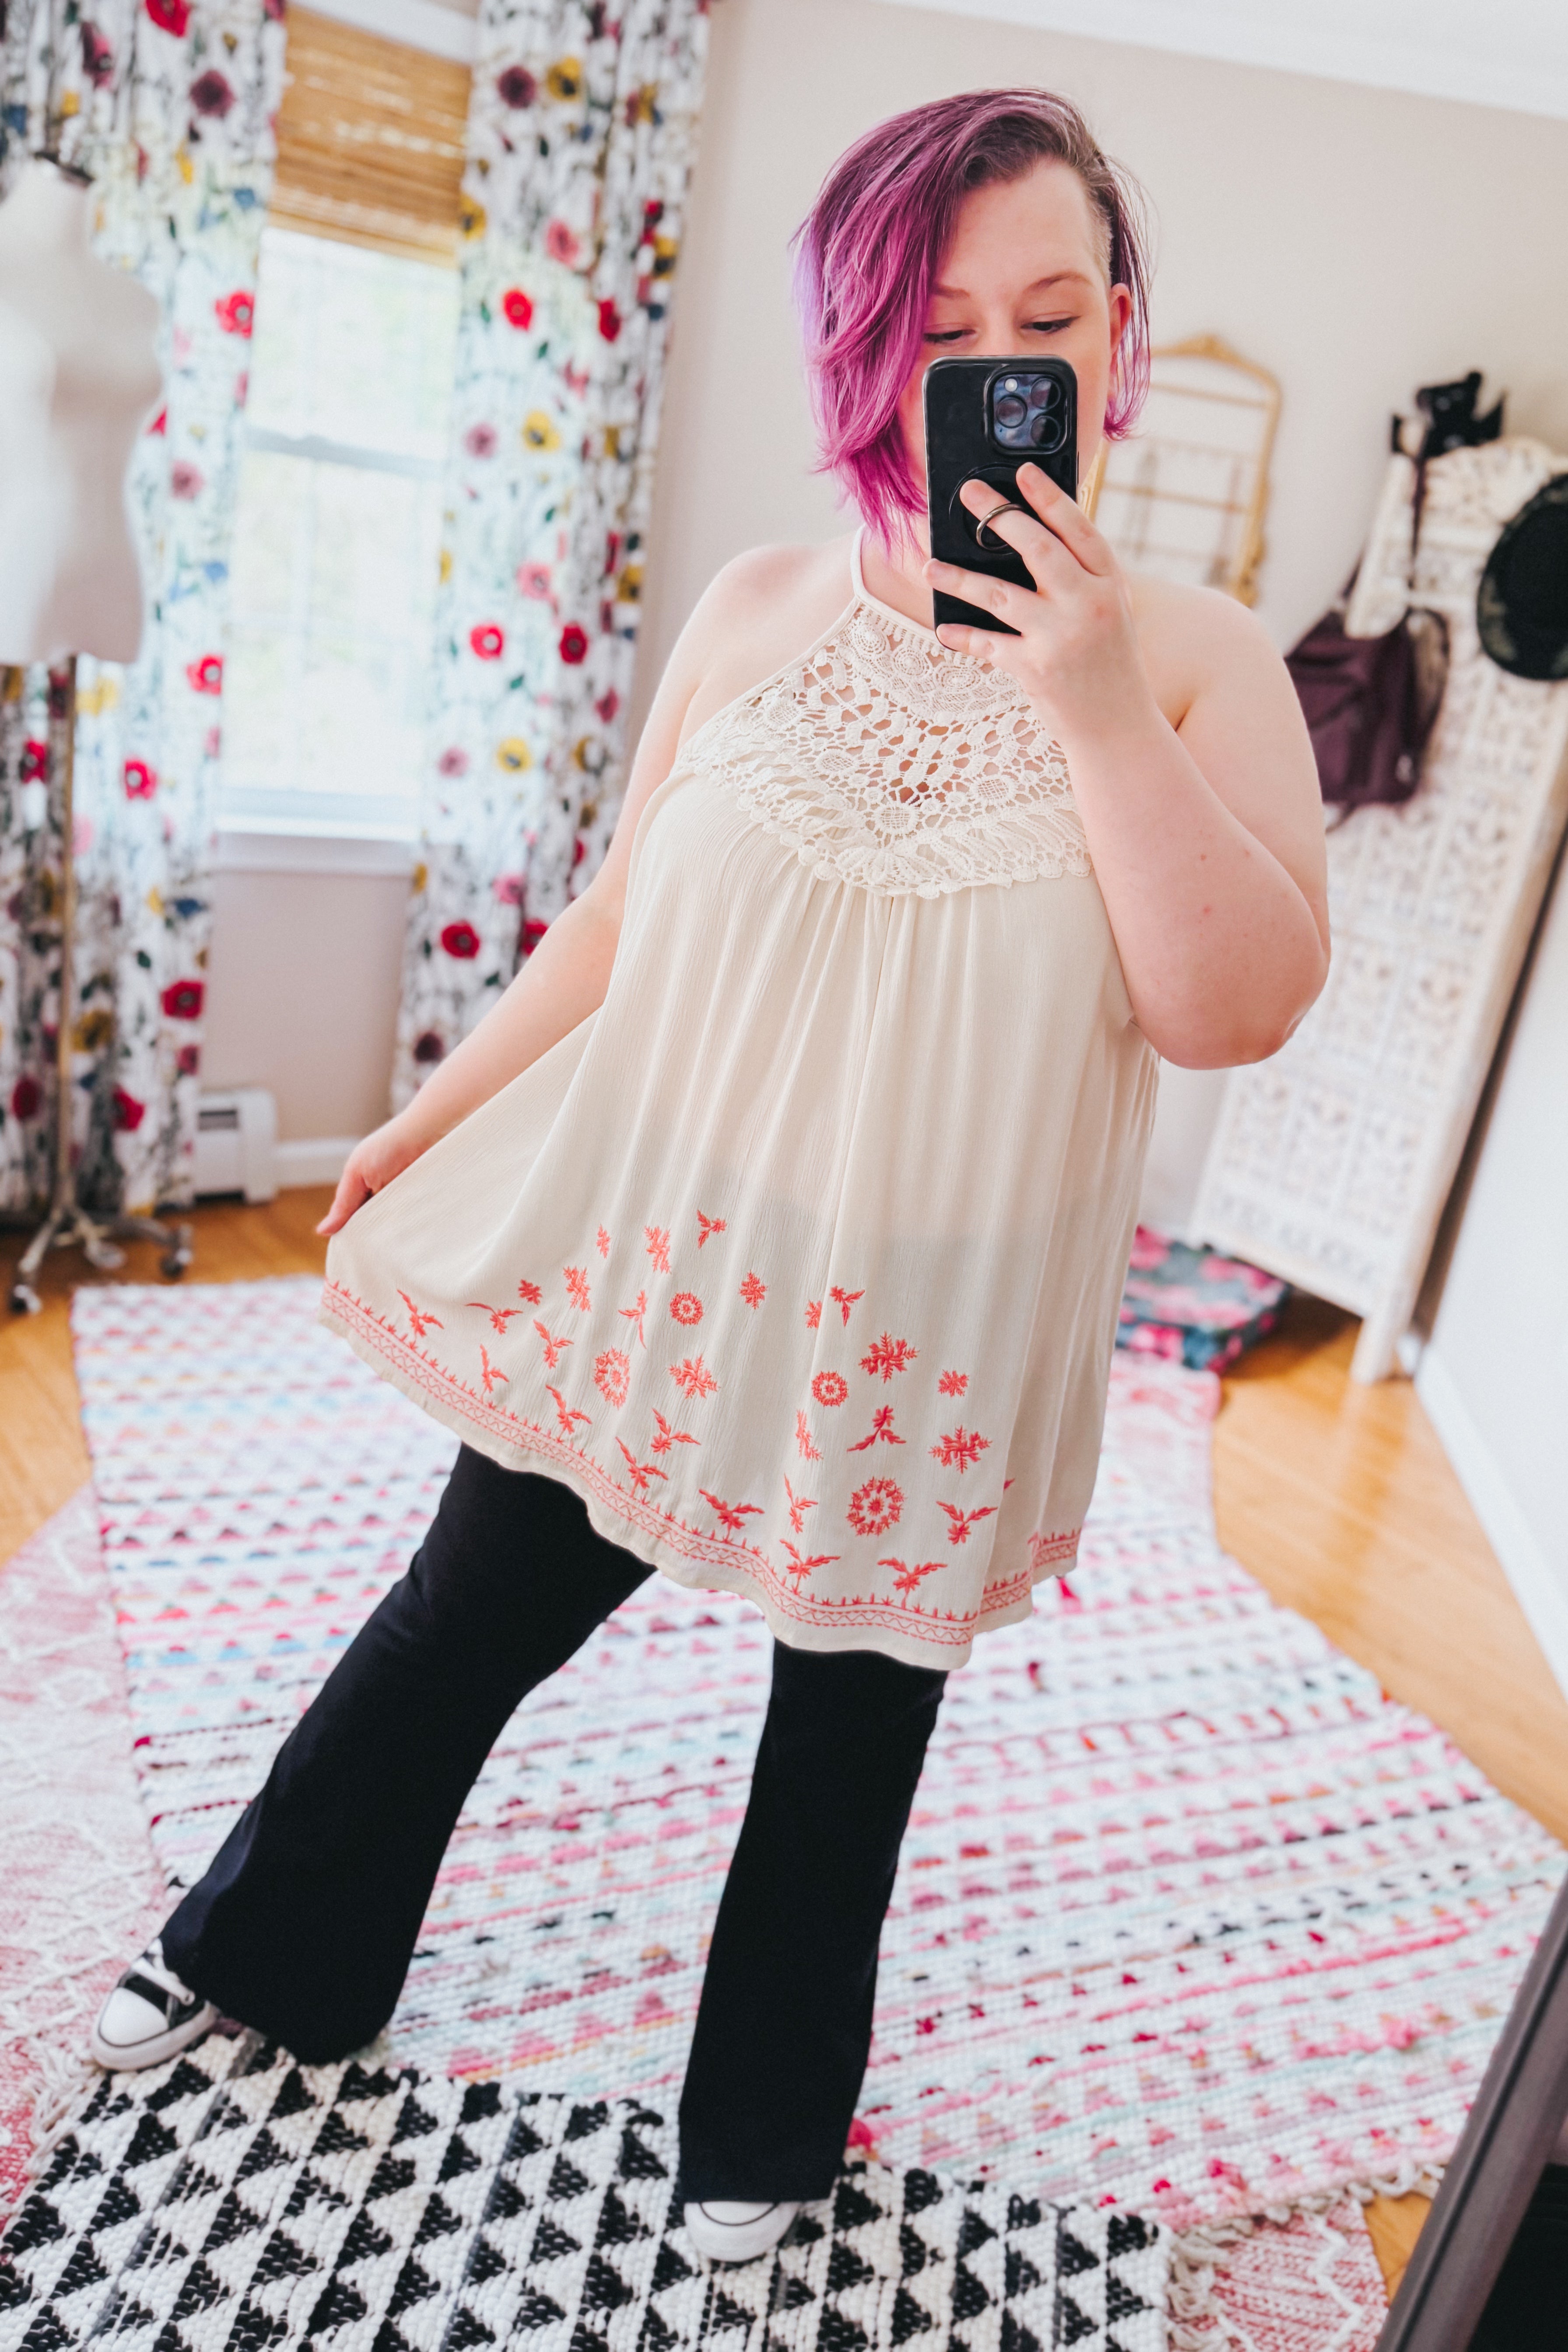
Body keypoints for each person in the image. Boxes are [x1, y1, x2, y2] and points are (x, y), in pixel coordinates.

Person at [91, 88, 1328, 2265]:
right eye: (944, 323)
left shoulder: (1208, 668)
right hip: (661, 1260)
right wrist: (431, 1108)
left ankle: (758, 2130)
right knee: (455, 1627)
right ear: (865, 349)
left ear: (1117, 338)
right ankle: (265, 1955)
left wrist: (1095, 695)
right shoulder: (759, 608)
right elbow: (616, 919)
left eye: (1049, 313)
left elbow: (1231, 1005)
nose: (1000, 365)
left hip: (932, 1330)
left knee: (838, 1759)